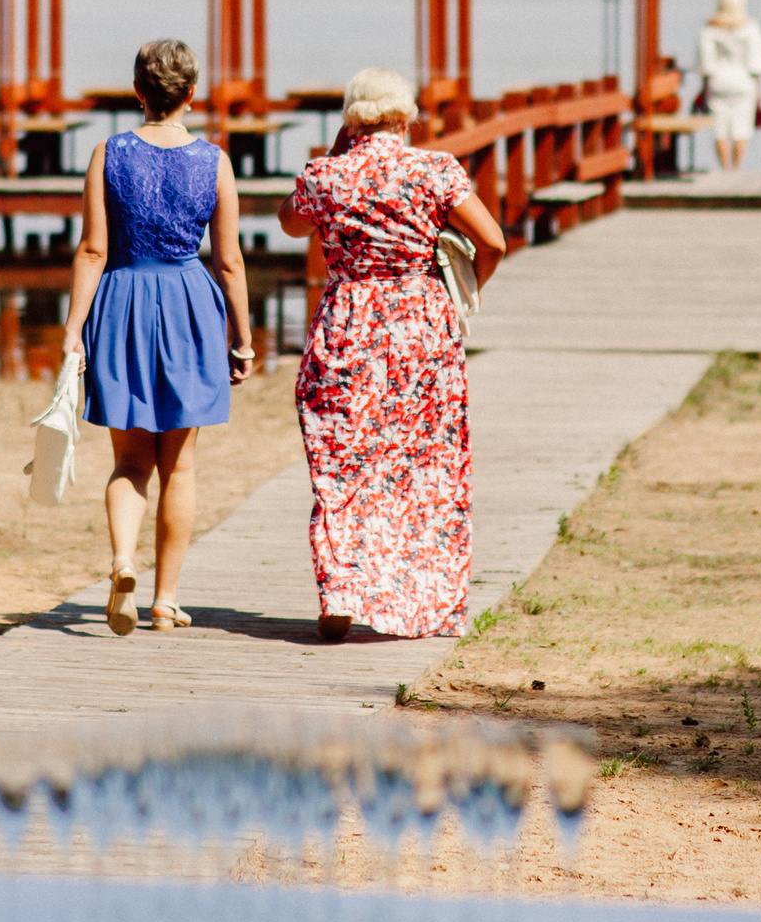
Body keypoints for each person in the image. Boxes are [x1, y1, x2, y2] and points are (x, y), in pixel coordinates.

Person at [278, 67, 507, 643]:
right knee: (422, 465)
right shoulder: (434, 170)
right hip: (419, 327)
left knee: (341, 461)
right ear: (405, 116)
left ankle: (340, 591)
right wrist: (467, 287)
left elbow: (288, 224)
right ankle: (423, 596)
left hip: (348, 324)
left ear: (351, 121)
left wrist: (334, 153)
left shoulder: (325, 176)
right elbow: (494, 241)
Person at [59, 38, 253, 636]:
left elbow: (93, 248)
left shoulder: (107, 152)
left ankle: (122, 562)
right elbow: (228, 261)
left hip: (121, 301)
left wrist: (72, 334)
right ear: (191, 95)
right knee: (181, 466)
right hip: (189, 304)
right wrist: (242, 338)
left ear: (138, 92)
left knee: (129, 459)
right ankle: (165, 601)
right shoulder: (213, 160)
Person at [696, 0, 761, 172]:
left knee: (720, 129)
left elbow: (706, 61)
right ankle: (736, 169)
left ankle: (724, 167)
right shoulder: (750, 26)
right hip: (743, 81)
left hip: (719, 81)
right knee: (741, 128)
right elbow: (757, 62)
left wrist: (704, 87)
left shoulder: (710, 27)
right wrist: (759, 91)